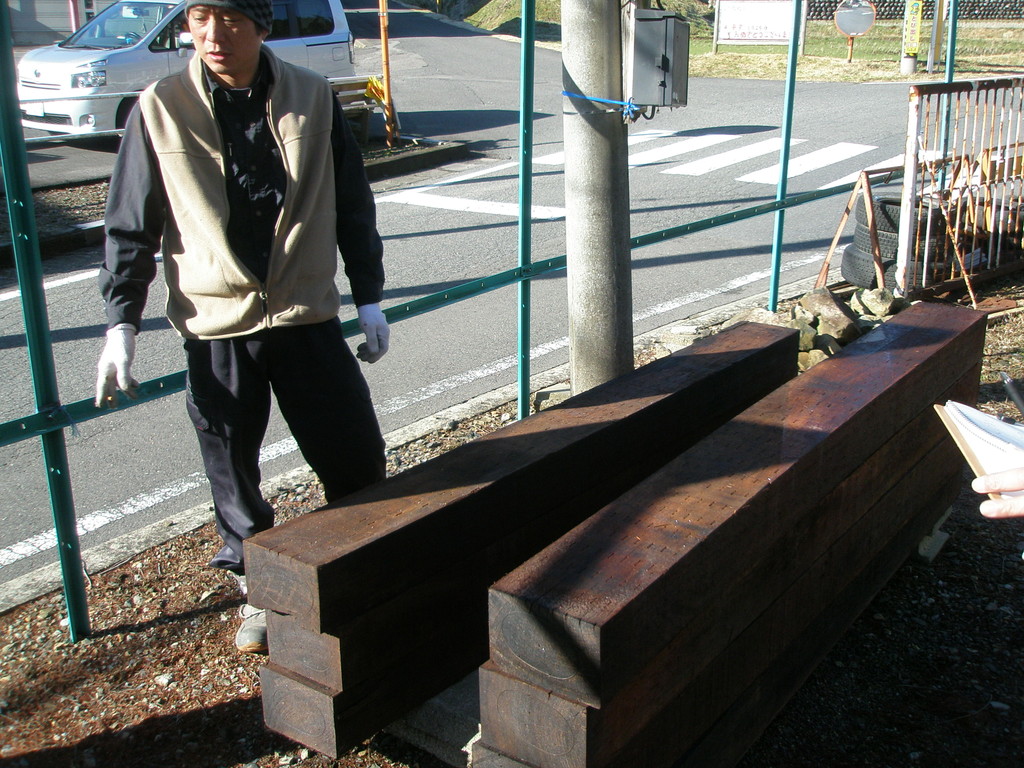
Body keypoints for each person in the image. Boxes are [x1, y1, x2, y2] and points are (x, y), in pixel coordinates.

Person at [94, 0, 390, 654]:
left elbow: (350, 200)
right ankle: (258, 590)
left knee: (354, 450)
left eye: (229, 18)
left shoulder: (311, 96)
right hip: (216, 320)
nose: (213, 34)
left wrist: (368, 292)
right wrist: (123, 321)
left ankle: (366, 563)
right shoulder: (160, 106)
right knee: (231, 469)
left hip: (305, 312)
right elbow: (129, 224)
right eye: (200, 18)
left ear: (261, 24)